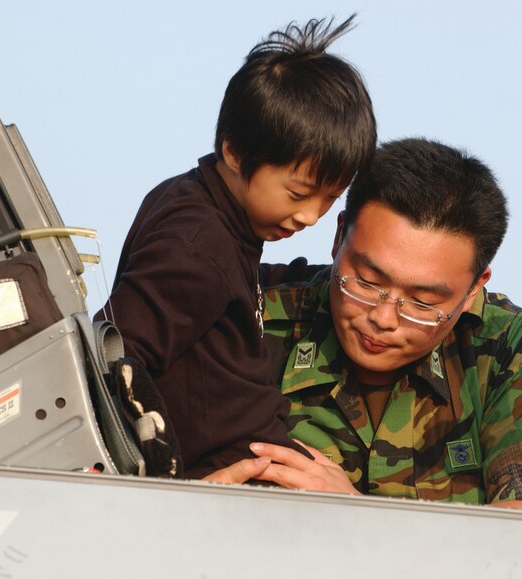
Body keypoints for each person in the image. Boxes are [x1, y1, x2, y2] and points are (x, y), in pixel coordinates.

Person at [208, 138, 522, 511]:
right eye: (365, 282)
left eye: (423, 302)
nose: (382, 318)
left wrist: (357, 517)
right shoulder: (249, 313)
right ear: (338, 237)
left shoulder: (503, 345)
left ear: (473, 290)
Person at [97, 16, 377, 479]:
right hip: (230, 493)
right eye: (298, 193)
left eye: (329, 198)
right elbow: (113, 353)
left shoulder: (206, 206)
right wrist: (176, 491)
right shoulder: (197, 244)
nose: (310, 216)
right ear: (235, 152)